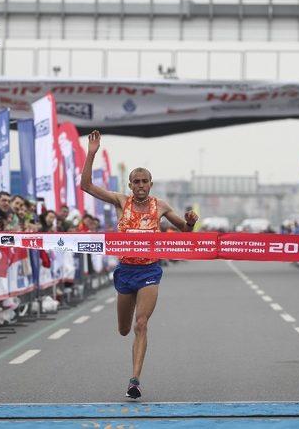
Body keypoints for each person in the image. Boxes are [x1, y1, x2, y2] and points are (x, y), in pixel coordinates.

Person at [80, 130, 198, 400]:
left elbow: (186, 232)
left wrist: (190, 221)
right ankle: (132, 359)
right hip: (125, 271)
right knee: (123, 329)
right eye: (136, 181)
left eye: (145, 181)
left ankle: (135, 380)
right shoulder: (122, 202)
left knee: (141, 324)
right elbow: (86, 186)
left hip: (149, 271)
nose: (141, 185)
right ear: (131, 185)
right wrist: (91, 153)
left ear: (151, 184)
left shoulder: (161, 206)